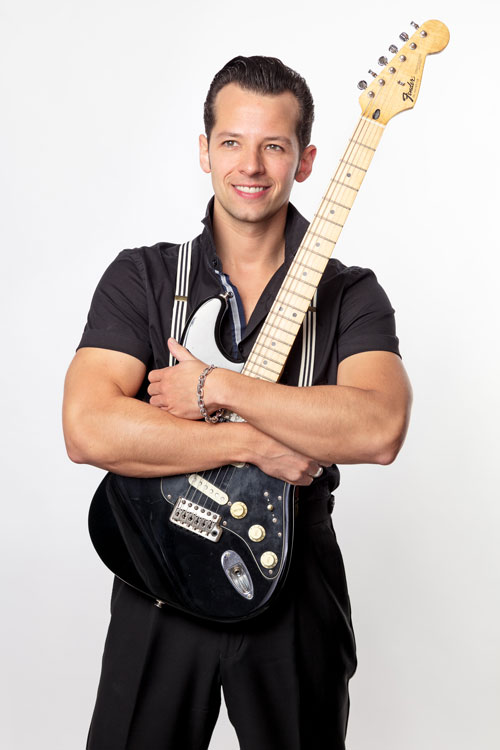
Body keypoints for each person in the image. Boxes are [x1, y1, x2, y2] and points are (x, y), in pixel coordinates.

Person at [63, 56, 412, 750]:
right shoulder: (144, 277)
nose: (250, 166)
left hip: (296, 587)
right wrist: (249, 441)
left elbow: (379, 429)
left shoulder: (352, 295)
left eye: (273, 146)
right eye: (231, 142)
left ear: (305, 161)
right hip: (158, 572)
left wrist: (218, 388)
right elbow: (87, 428)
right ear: (205, 151)